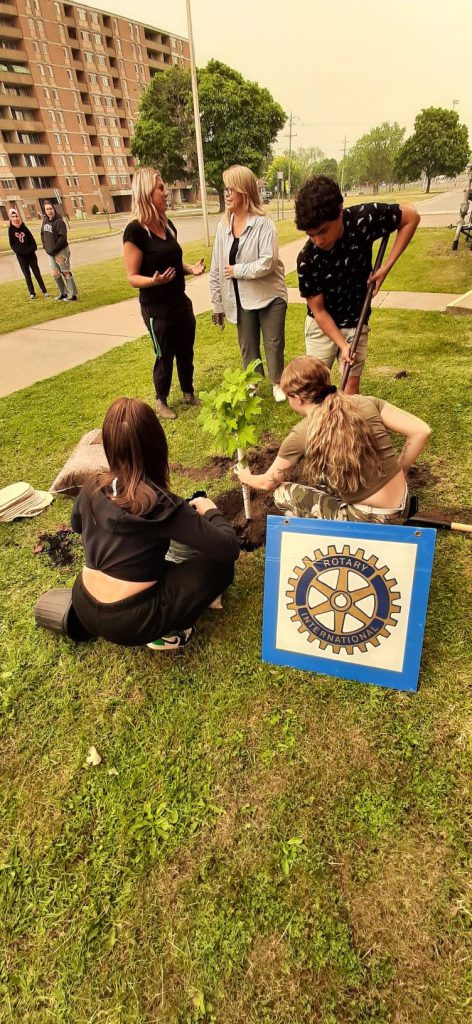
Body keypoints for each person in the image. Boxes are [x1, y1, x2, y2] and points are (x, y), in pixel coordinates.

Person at [70, 397, 240, 650]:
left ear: (109, 445)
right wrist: (211, 510)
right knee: (220, 567)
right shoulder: (161, 505)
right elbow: (228, 548)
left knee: (159, 565)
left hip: (83, 600)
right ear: (156, 444)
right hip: (130, 622)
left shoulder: (93, 486)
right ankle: (167, 633)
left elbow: (77, 526)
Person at [235, 356, 431, 524]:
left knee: (282, 493)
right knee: (322, 476)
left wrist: (246, 477)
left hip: (369, 520)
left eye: (288, 397)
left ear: (297, 398)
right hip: (402, 504)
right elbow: (421, 431)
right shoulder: (366, 402)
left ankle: (326, 535)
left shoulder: (302, 432)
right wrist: (401, 468)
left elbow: (267, 483)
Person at [295, 176, 420, 395]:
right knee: (316, 389)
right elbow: (319, 310)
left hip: (356, 318)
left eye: (323, 231)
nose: (318, 241)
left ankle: (348, 428)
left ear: (340, 211)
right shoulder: (307, 258)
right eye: (311, 235)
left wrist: (386, 267)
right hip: (321, 325)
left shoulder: (364, 219)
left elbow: (411, 217)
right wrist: (342, 345)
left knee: (351, 386)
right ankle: (323, 428)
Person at [123, 167, 205, 420]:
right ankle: (161, 399)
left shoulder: (167, 224)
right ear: (147, 192)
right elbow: (132, 277)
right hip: (156, 309)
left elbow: (173, 259)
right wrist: (153, 281)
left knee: (186, 350)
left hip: (180, 302)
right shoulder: (135, 231)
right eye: (160, 188)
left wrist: (191, 268)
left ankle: (188, 392)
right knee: (164, 354)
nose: (165, 192)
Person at [209, 164, 288, 403]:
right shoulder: (224, 226)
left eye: (232, 188)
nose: (227, 193)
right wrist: (217, 304)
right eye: (225, 189)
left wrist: (238, 270)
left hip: (269, 295)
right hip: (240, 297)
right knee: (247, 344)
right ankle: (252, 383)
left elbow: (268, 262)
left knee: (273, 342)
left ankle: (277, 382)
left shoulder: (264, 224)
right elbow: (216, 268)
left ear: (245, 191)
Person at [8, 208, 48, 300]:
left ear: (19, 217)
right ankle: (32, 293)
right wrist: (21, 252)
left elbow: (33, 243)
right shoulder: (10, 230)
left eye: (16, 216)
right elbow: (12, 244)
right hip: (21, 258)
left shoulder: (25, 228)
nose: (15, 218)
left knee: (37, 274)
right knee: (27, 276)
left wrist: (29, 251)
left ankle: (44, 291)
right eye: (13, 217)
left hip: (31, 256)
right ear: (11, 218)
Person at [40, 201, 78, 301]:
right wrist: (45, 247)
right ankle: (63, 293)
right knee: (54, 273)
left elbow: (62, 238)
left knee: (65, 271)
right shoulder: (45, 221)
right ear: (45, 211)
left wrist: (53, 249)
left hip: (61, 251)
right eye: (47, 209)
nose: (49, 211)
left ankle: (72, 295)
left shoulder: (59, 222)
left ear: (54, 209)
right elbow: (43, 235)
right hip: (50, 252)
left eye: (51, 208)